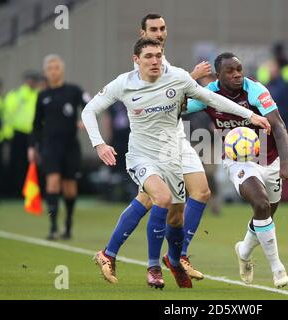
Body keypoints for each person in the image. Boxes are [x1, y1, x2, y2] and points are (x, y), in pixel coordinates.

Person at [83, 38, 270, 289]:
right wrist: (99, 143)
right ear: (136, 59)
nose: (154, 60)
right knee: (160, 198)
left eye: (158, 55)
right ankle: (153, 267)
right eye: (148, 56)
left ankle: (174, 258)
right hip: (142, 156)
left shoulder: (177, 78)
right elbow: (89, 110)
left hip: (173, 154)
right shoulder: (123, 84)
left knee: (176, 217)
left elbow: (210, 98)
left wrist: (250, 115)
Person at [98, 13, 214, 284]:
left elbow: (179, 103)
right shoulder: (145, 65)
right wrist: (192, 82)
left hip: (175, 141)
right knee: (155, 199)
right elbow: (176, 101)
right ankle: (142, 261)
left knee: (199, 192)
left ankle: (176, 256)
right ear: (142, 34)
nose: (159, 33)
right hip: (152, 146)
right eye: (153, 29)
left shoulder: (165, 63)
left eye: (162, 28)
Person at [186, 52, 288, 288]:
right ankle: (277, 269)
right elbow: (175, 105)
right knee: (260, 204)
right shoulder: (208, 94)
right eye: (230, 71)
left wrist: (286, 164)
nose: (237, 74)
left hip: (270, 159)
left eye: (239, 69)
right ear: (218, 76)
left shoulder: (256, 90)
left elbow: (278, 126)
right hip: (238, 160)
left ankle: (244, 250)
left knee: (266, 212)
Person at [28, 54, 90, 240]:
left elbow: (91, 105)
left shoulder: (74, 90)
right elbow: (36, 124)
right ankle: (53, 226)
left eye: (56, 67)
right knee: (52, 182)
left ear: (61, 69)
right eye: (50, 68)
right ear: (45, 72)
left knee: (69, 187)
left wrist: (85, 120)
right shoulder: (42, 96)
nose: (53, 71)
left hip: (70, 146)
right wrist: (32, 146)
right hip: (50, 146)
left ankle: (68, 223)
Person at [3, 71, 40, 196]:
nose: (32, 83)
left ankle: (30, 190)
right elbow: (7, 116)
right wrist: (8, 134)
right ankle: (17, 190)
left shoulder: (39, 95)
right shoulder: (16, 95)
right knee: (17, 163)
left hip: (33, 133)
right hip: (18, 133)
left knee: (31, 163)